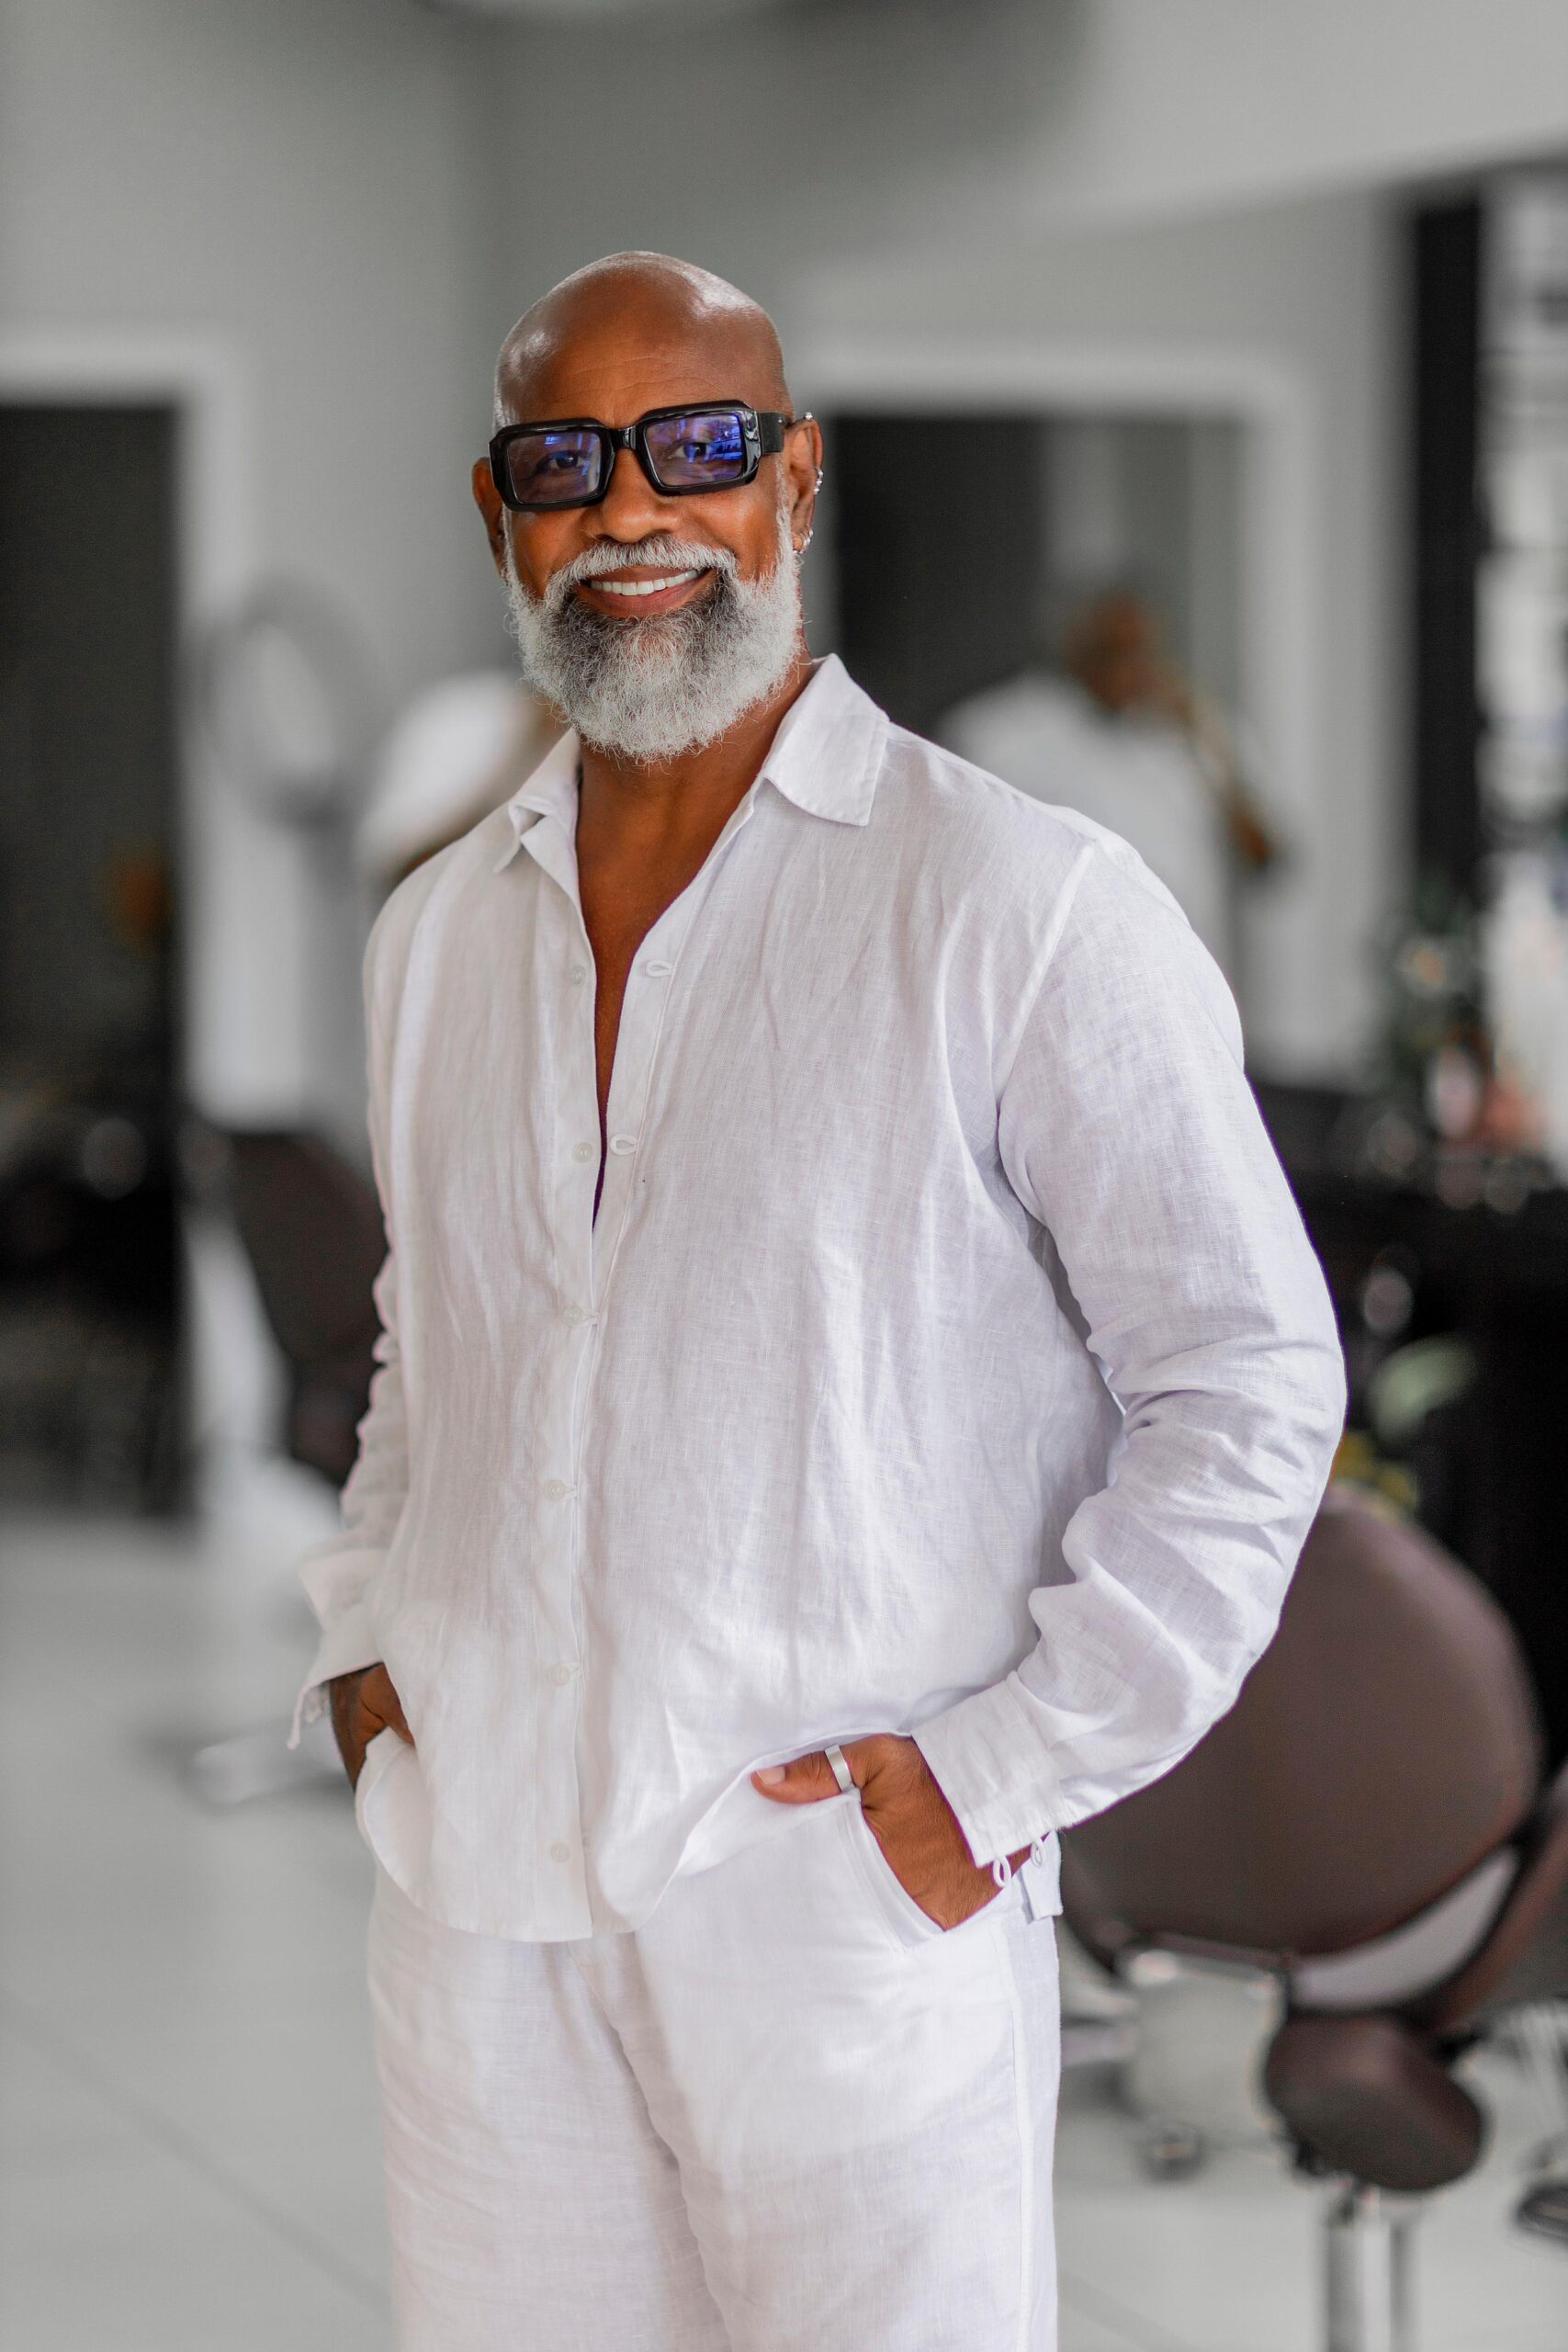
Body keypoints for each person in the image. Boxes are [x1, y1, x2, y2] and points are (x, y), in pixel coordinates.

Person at [292, 253, 1345, 2352]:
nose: (629, 509)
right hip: (479, 1896)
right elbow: (438, 1343)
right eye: (564, 461)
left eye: (693, 446)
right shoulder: (435, 934)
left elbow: (1243, 1375)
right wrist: (361, 1639)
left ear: (790, 479)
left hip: (838, 1904)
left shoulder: (1012, 899)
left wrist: (1007, 1768)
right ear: (498, 512)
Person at [940, 586, 1280, 981]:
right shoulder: (1004, 732)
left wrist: (1202, 741)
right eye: (1110, 651)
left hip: (1184, 980)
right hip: (1063, 975)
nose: (1127, 668)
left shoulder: (1194, 733)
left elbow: (1266, 858)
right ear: (1074, 646)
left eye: (1141, 652)